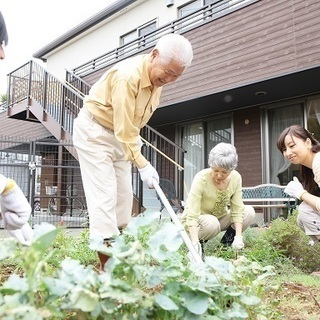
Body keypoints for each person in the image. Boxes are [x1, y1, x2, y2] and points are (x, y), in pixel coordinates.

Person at [73, 33, 193, 271]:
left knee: (123, 199)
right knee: (105, 198)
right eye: (167, 72)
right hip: (95, 132)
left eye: (176, 76)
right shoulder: (127, 77)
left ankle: (117, 251)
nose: (169, 79)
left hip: (121, 136)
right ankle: (107, 267)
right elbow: (125, 129)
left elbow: (131, 127)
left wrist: (137, 153)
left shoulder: (157, 83)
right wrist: (142, 164)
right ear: (154, 55)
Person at [181, 142, 255, 259]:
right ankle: (196, 246)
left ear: (231, 169)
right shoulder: (201, 178)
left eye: (224, 172)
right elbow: (192, 212)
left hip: (220, 217)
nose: (219, 175)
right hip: (199, 222)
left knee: (248, 212)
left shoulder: (236, 178)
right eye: (215, 170)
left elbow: (237, 208)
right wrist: (194, 243)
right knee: (212, 223)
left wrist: (238, 237)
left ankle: (225, 246)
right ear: (211, 165)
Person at [277, 125, 320, 246]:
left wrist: (301, 194)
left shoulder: (318, 162)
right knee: (302, 218)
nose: (288, 153)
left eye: (292, 146)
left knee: (305, 210)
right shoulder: (308, 167)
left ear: (307, 142)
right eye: (284, 149)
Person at [0, 175, 33, 245]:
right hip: (18, 212)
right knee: (14, 224)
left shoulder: (2, 181)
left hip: (20, 213)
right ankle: (27, 241)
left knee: (11, 223)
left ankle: (23, 242)